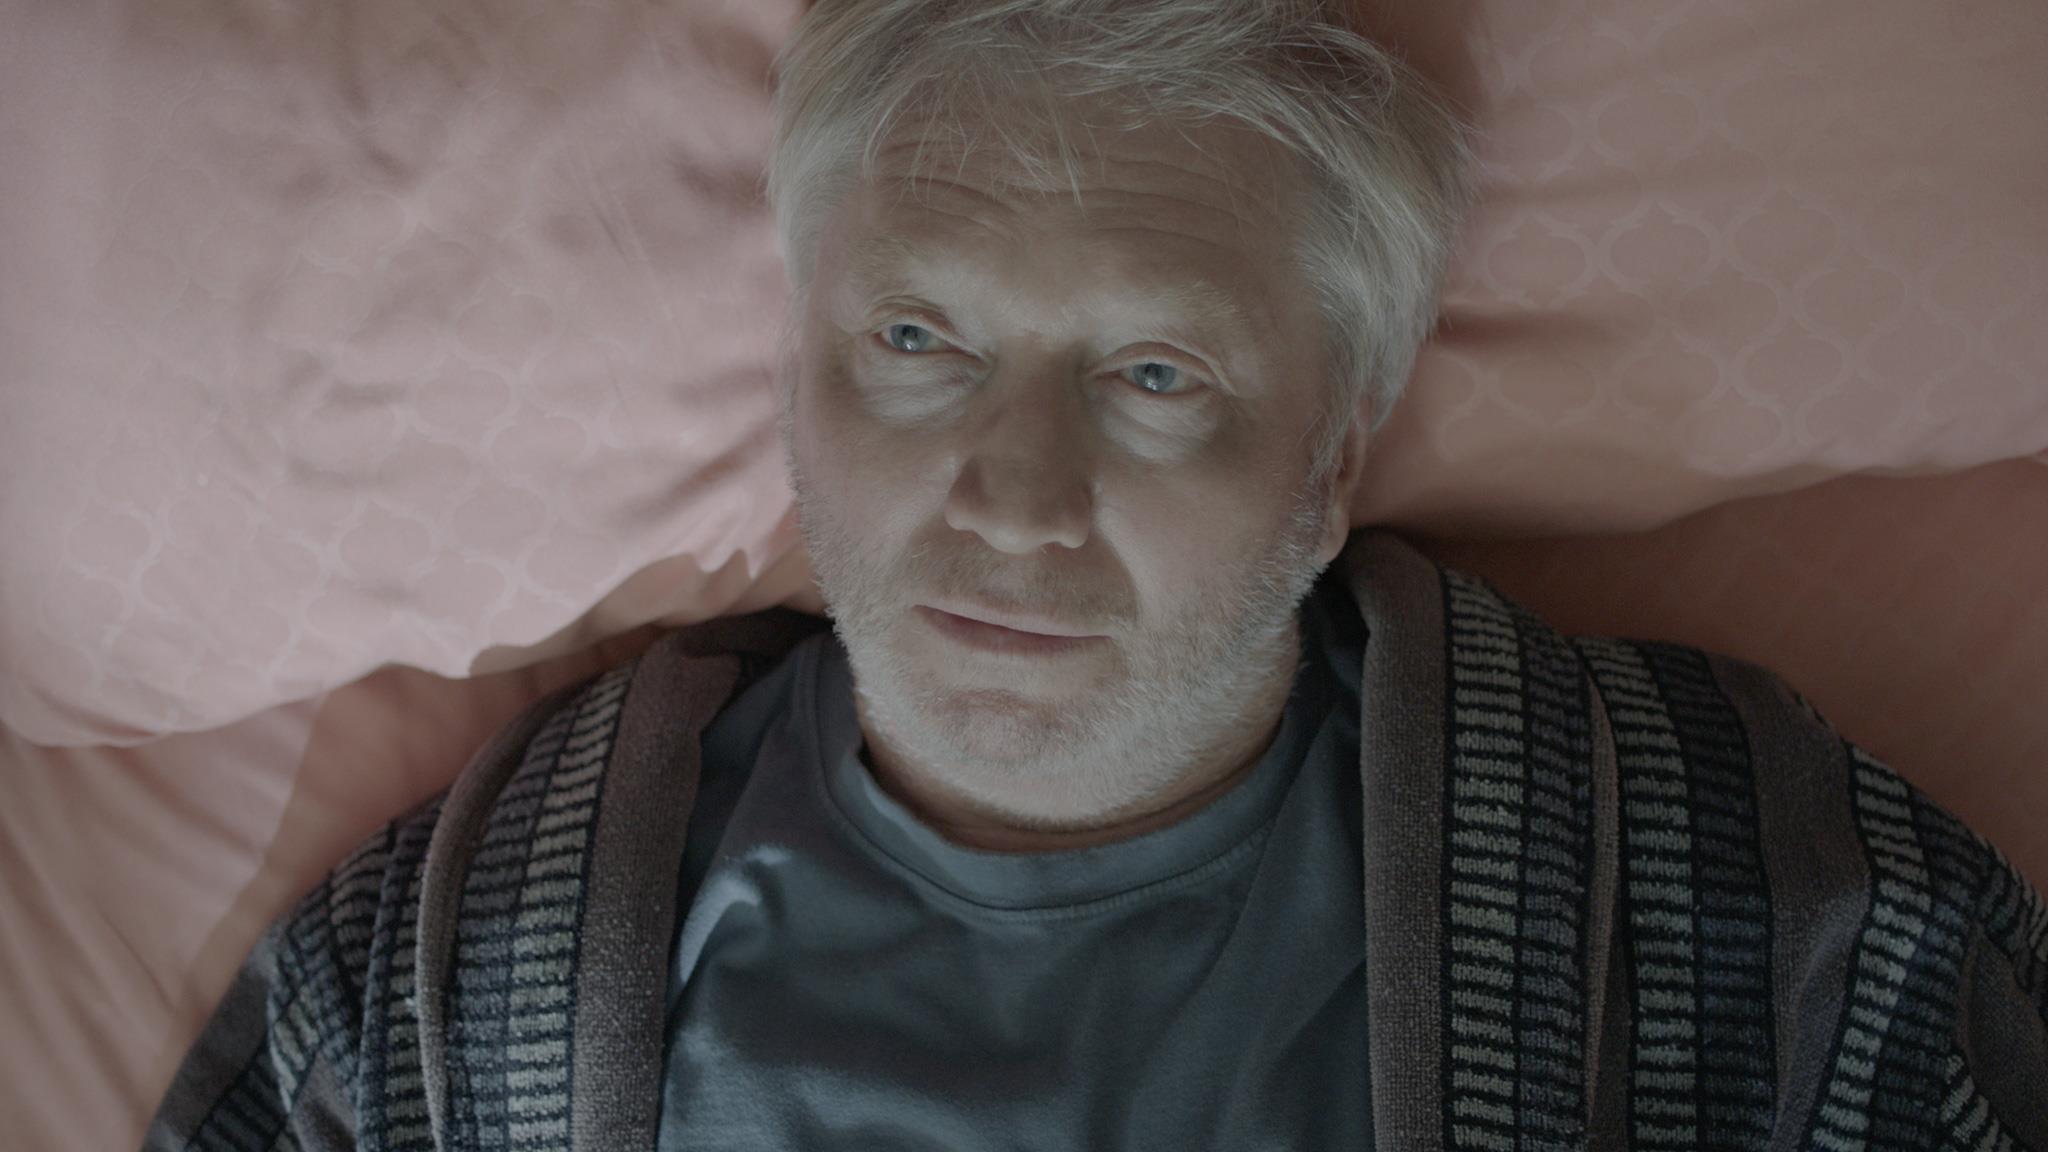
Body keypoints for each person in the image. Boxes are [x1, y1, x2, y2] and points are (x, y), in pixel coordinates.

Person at [145, 1, 2048, 1148]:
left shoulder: (1770, 909)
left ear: (1331, 460)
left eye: (1155, 375)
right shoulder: (431, 978)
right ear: (798, 378)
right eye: (917, 342)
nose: (1016, 499)